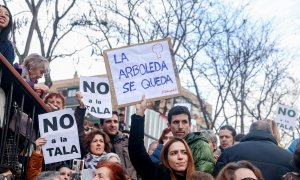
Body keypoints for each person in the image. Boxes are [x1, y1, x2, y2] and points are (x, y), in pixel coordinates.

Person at [129, 96, 195, 179]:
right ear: (166, 158)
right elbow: (137, 152)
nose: (180, 157)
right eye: (173, 153)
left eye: (184, 152)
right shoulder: (158, 174)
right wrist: (139, 114)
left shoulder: (198, 177)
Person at [213, 120, 294, 180]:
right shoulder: (288, 158)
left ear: (250, 132)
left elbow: (218, 176)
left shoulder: (229, 152)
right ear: (271, 133)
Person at [167, 105, 215, 172]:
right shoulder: (168, 147)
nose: (180, 126)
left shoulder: (201, 146)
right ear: (169, 125)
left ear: (190, 125)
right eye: (176, 122)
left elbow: (201, 176)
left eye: (184, 122)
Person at [100, 111, 138, 179]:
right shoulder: (97, 143)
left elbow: (140, 165)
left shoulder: (128, 141)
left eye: (115, 121)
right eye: (108, 121)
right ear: (101, 125)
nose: (113, 125)